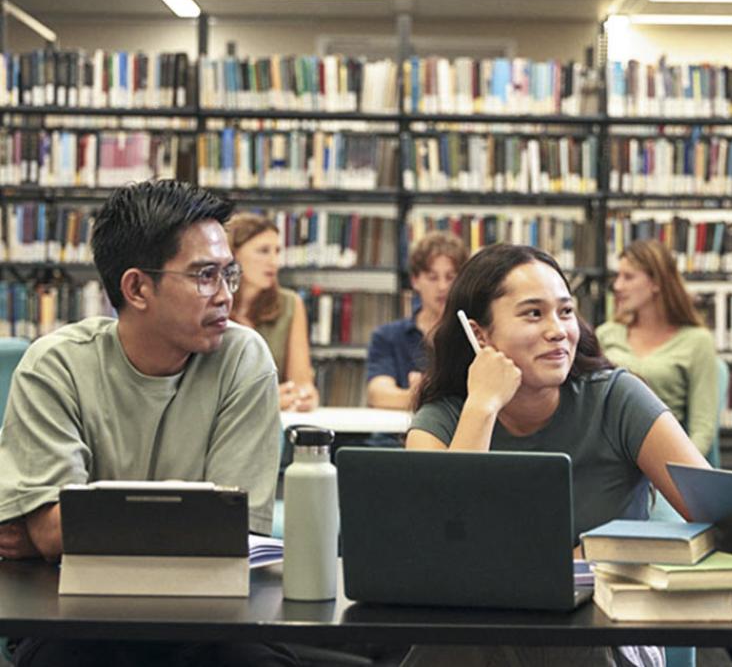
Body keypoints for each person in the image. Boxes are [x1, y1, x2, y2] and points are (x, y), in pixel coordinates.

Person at [0, 180, 294, 667]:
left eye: (228, 274)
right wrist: (53, 532)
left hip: (212, 616)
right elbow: (55, 532)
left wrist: (68, 529)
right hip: (78, 617)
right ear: (137, 288)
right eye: (204, 276)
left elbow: (230, 530)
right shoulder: (55, 365)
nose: (224, 296)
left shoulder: (244, 358)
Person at [404, 243, 709, 667]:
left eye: (565, 312)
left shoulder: (617, 398)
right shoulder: (444, 416)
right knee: (457, 644)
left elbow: (721, 516)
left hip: (603, 628)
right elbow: (440, 553)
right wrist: (482, 408)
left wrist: (609, 548)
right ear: (480, 335)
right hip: (482, 627)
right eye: (533, 313)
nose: (558, 330)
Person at [597, 239, 718, 458]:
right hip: (611, 457)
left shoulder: (697, 341)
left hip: (667, 457)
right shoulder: (606, 335)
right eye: (618, 276)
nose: (617, 286)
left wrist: (682, 471)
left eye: (629, 277)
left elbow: (703, 428)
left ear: (657, 283)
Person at [366, 231, 468, 410]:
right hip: (393, 436)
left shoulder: (474, 335)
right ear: (415, 280)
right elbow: (378, 394)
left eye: (451, 277)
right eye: (432, 277)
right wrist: (430, 396)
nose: (442, 287)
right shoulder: (387, 336)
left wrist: (420, 395)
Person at [227, 212, 317, 412]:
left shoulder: (290, 303)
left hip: (275, 423)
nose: (274, 262)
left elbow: (301, 383)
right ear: (233, 255)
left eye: (277, 251)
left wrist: (304, 396)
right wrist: (263, 399)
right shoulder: (211, 303)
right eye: (263, 251)